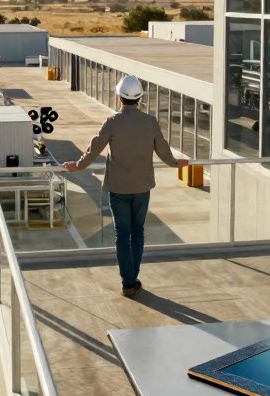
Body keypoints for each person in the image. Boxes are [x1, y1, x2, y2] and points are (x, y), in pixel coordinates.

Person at [65, 75, 188, 297]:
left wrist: (77, 166)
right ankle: (133, 276)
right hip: (142, 188)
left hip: (118, 189)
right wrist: (177, 164)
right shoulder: (150, 122)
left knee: (122, 234)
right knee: (137, 232)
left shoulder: (112, 122)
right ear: (139, 98)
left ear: (118, 97)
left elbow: (94, 150)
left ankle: (128, 281)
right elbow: (163, 151)